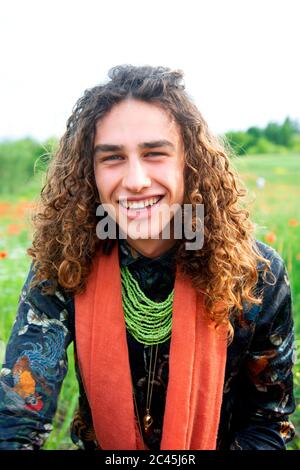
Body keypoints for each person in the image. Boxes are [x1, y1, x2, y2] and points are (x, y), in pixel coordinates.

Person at [0, 65, 296, 450]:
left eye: (155, 153)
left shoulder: (257, 274)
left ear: (189, 164)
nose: (136, 180)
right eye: (112, 158)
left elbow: (267, 423)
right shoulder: (65, 264)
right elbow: (18, 418)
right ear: (90, 173)